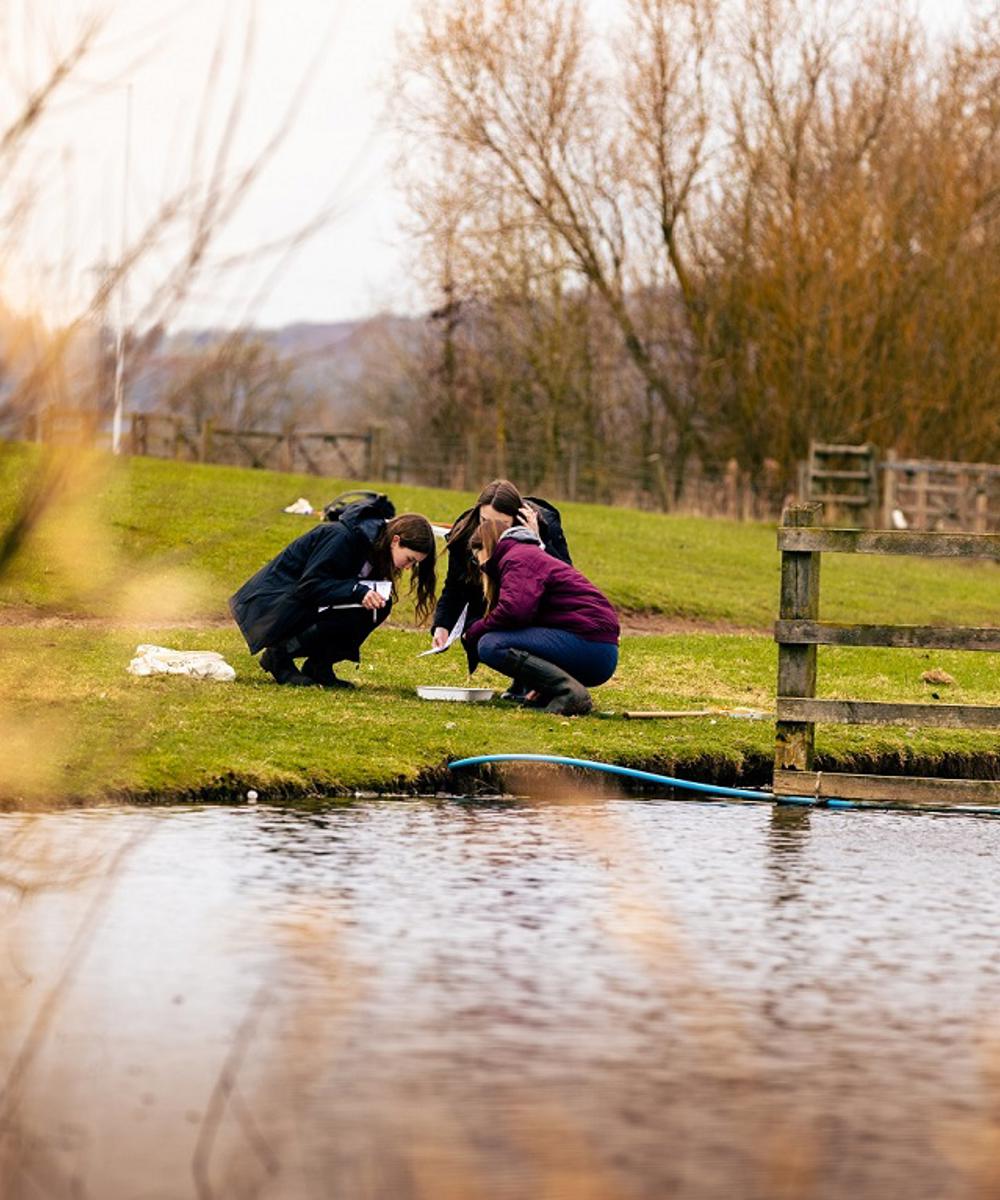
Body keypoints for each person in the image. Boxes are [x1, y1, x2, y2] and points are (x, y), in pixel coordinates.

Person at [229, 494, 436, 688]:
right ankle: (278, 655)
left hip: (303, 601)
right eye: (409, 559)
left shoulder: (375, 546)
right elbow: (310, 585)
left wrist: (362, 592)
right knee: (363, 601)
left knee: (380, 604)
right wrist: (357, 590)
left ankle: (319, 665)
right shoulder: (342, 537)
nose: (408, 568)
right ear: (396, 540)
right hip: (273, 604)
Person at [463, 518, 619, 716]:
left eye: (477, 558)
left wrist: (475, 630)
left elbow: (514, 612)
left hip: (591, 647)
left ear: (485, 547)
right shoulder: (527, 554)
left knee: (491, 644)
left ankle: (569, 692)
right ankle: (554, 691)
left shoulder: (518, 558)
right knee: (496, 640)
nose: (479, 565)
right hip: (595, 648)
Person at [430, 479, 571, 650]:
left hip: (536, 609)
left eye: (502, 524)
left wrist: (537, 542)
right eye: (485, 520)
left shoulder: (544, 525)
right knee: (485, 641)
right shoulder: (465, 533)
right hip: (490, 605)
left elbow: (565, 578)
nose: (491, 529)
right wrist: (442, 626)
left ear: (516, 519)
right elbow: (454, 586)